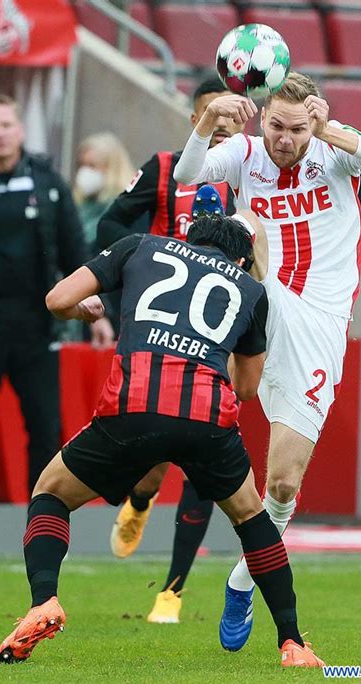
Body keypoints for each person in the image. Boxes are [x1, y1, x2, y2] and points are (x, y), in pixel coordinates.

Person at [0, 214, 323, 669]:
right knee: (251, 518)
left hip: (133, 407)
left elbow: (56, 300)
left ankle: (44, 601)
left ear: (187, 239)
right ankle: (293, 643)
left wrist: (83, 311)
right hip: (205, 418)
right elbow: (247, 388)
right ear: (243, 259)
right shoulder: (251, 290)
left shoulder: (139, 246)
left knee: (51, 492)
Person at [173, 71, 361, 653]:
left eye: (296, 127)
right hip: (263, 299)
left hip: (322, 322)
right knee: (237, 228)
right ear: (264, 119)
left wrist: (335, 132)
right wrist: (207, 123)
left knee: (281, 481)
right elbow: (184, 174)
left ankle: (240, 582)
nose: (283, 137)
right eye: (276, 125)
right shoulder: (245, 154)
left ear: (314, 120)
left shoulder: (333, 151)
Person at [97, 77, 247, 624]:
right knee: (156, 450)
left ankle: (173, 592)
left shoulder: (250, 173)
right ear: (195, 122)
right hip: (163, 321)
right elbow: (112, 221)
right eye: (214, 114)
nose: (224, 124)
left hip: (220, 325)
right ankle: (140, 499)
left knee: (205, 447)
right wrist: (125, 282)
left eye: (233, 115)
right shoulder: (166, 168)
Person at [0, 94, 90, 557]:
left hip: (37, 330)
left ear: (20, 130)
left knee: (45, 428)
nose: (0, 133)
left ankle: (41, 529)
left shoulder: (47, 183)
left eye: (6, 124)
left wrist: (93, 302)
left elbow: (75, 251)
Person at [71, 131, 143, 344]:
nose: (85, 172)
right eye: (82, 165)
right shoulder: (78, 207)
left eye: (93, 166)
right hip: (84, 301)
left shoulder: (127, 210)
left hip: (117, 305)